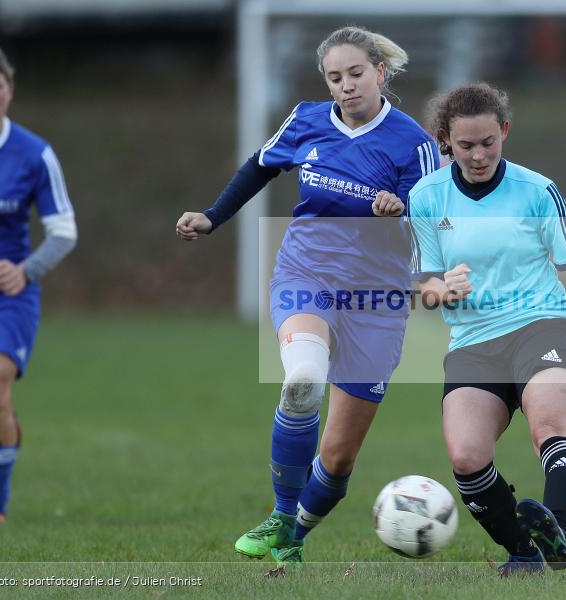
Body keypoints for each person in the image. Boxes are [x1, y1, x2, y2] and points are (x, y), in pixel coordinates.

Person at [175, 26, 439, 564]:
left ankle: (294, 534)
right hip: (306, 275)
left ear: (380, 73)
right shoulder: (307, 120)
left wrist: (405, 211)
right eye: (334, 77)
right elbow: (259, 167)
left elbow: (439, 225)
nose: (345, 86)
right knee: (301, 381)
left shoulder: (414, 143)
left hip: (377, 300)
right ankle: (279, 513)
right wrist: (211, 217)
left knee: (338, 460)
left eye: (356, 74)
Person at [408, 83, 566, 575]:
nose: (479, 154)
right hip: (472, 341)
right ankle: (524, 553)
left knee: (549, 427)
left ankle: (555, 531)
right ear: (445, 140)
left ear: (504, 131)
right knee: (466, 455)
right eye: (466, 145)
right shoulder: (426, 197)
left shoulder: (536, 190)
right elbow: (421, 282)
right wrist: (442, 290)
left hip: (541, 325)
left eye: (488, 141)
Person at [0, 45, 77, 523]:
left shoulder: (33, 154)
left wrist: (26, 270)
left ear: (10, 91)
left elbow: (64, 231)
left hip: (5, 296)